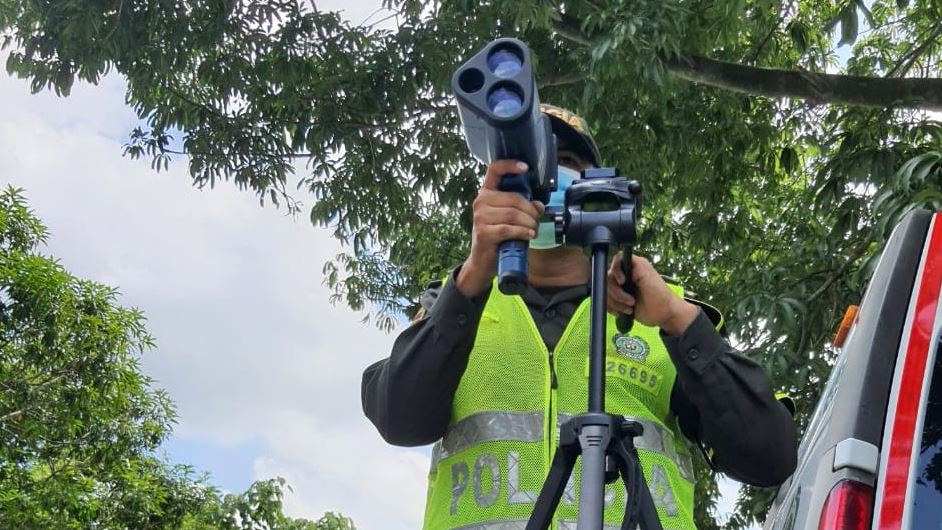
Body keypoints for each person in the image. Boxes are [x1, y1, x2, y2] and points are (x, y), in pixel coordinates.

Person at [361, 104, 798, 530]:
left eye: (564, 161)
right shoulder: (455, 303)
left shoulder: (661, 314)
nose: (546, 178)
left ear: (596, 188)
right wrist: (473, 277)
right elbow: (399, 420)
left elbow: (770, 457)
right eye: (527, 166)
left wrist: (677, 320)